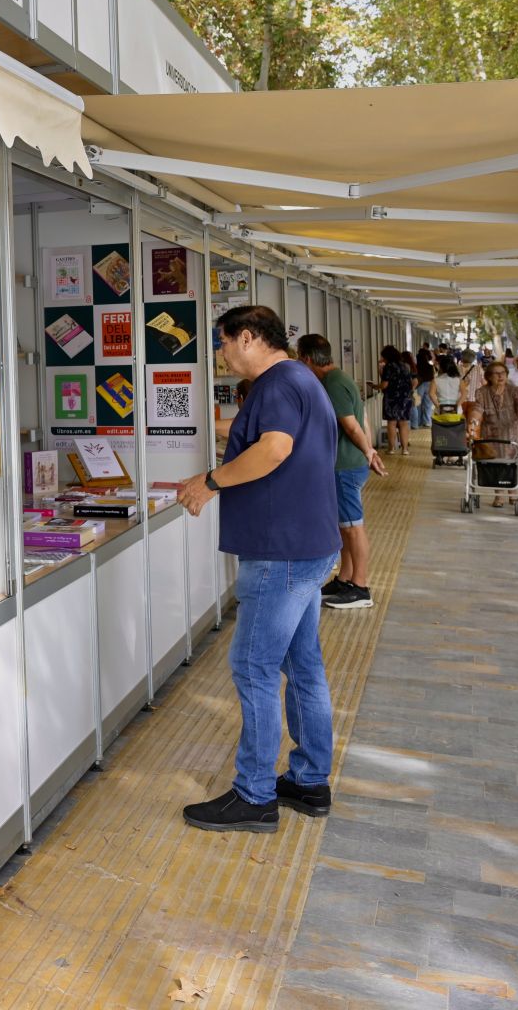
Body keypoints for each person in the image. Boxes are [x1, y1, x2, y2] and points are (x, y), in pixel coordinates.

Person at [176, 306, 339, 833]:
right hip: (306, 545)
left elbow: (273, 450)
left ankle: (254, 795)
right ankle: (310, 781)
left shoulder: (274, 383)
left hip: (280, 553)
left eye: (223, 343)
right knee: (303, 666)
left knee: (254, 667)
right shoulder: (302, 381)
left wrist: (211, 481)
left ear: (249, 337)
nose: (221, 354)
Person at [297, 334, 385, 610]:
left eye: (300, 359)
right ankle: (345, 579)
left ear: (308, 359)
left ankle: (360, 587)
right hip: (346, 464)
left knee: (353, 528)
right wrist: (367, 449)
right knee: (344, 528)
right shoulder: (340, 379)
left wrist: (369, 451)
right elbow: (364, 419)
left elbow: (351, 425)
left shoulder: (333, 384)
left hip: (344, 467)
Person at [469, 360, 518, 506]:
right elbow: (477, 409)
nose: (500, 376)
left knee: (513, 463)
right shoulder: (482, 392)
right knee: (495, 464)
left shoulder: (514, 390)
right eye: (496, 374)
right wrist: (473, 421)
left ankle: (513, 492)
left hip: (513, 433)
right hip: (492, 434)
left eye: (503, 373)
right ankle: (499, 496)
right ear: (488, 376)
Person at [375, 345, 413, 456]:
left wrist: (375, 386)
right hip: (406, 397)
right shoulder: (405, 366)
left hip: (392, 398)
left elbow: (384, 384)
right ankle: (405, 449)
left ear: (387, 356)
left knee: (391, 423)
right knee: (403, 423)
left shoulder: (389, 366)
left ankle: (391, 448)